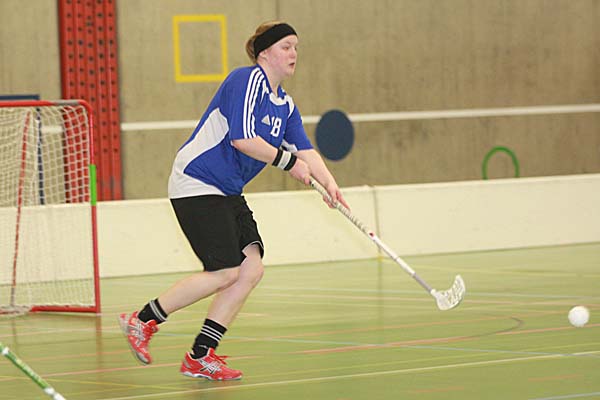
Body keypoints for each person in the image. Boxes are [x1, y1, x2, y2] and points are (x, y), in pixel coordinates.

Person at [118, 21, 349, 381]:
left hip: (227, 189)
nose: (293, 54)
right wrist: (289, 163)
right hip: (197, 181)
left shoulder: (285, 106)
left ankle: (200, 355)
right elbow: (243, 139)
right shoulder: (247, 80)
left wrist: (330, 185)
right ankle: (142, 320)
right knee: (225, 270)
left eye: (296, 47)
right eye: (286, 46)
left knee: (250, 269)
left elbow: (304, 150)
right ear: (265, 53)